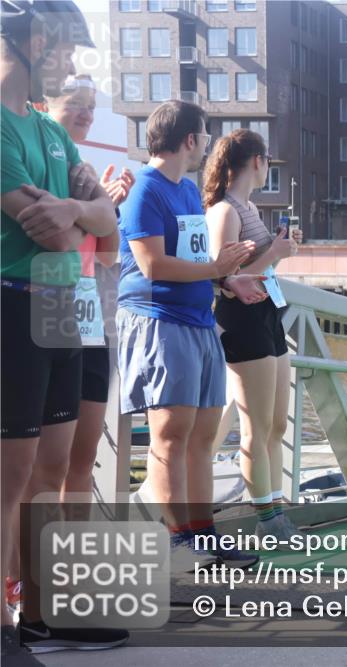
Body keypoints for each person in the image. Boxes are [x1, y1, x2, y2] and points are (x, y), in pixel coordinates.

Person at [1, 0, 127, 659]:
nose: (71, 61)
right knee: (10, 475)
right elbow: (54, 231)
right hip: (13, 300)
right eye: (66, 46)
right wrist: (84, 211)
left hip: (58, 303)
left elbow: (103, 222)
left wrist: (77, 207)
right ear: (32, 37)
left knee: (51, 467)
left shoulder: (51, 133)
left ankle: (44, 610)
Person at [116, 100, 265, 572]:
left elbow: (193, 259)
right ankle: (178, 542)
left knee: (203, 436)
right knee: (171, 435)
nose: (205, 144)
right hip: (160, 320)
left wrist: (226, 280)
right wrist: (215, 267)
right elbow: (152, 265)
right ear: (188, 139)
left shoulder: (184, 190)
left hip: (198, 320)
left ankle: (204, 536)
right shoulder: (146, 189)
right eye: (203, 135)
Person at [35, 74, 134, 505]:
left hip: (91, 319)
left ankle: (72, 544)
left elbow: (109, 256)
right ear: (44, 107)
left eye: (91, 106)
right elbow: (51, 239)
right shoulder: (34, 165)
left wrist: (107, 209)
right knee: (43, 461)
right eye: (75, 103)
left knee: (84, 454)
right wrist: (93, 210)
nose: (86, 114)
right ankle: (29, 549)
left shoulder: (88, 172)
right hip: (44, 311)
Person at [203, 129, 304, 543]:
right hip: (241, 320)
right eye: (267, 163)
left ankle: (278, 512)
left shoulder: (250, 207)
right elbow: (224, 278)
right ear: (257, 162)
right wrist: (274, 253)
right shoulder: (224, 211)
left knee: (277, 425)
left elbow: (257, 271)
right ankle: (267, 519)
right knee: (256, 428)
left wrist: (280, 250)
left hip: (267, 313)